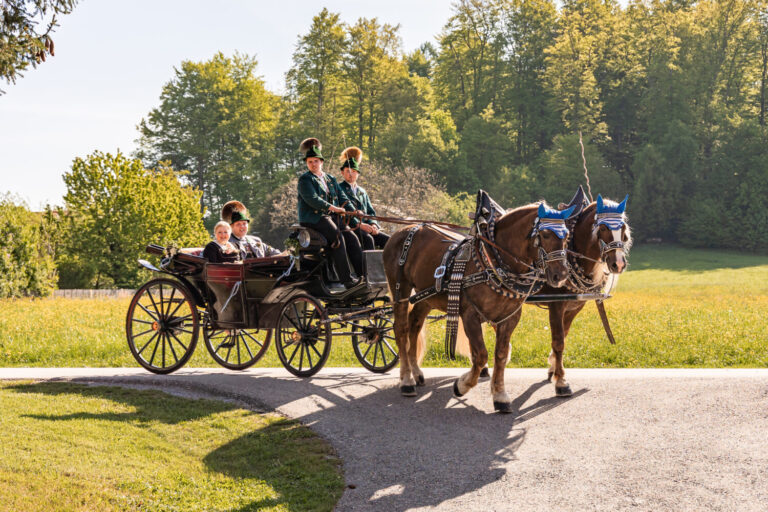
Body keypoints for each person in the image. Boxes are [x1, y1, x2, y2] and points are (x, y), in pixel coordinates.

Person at [296, 137, 363, 289]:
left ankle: (362, 277)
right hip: (313, 218)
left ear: (321, 162)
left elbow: (342, 197)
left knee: (352, 237)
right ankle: (346, 280)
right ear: (307, 163)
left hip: (329, 217)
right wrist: (334, 208)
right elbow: (313, 200)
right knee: (337, 237)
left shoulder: (330, 179)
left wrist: (354, 210)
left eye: (315, 161)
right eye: (310, 162)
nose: (313, 164)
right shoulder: (305, 180)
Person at [338, 146, 390, 251]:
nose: (351, 174)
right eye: (347, 171)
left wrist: (373, 224)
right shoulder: (339, 189)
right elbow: (346, 213)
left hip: (368, 227)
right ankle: (369, 268)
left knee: (389, 241)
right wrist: (361, 225)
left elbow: (370, 212)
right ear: (342, 173)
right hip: (351, 227)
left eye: (353, 171)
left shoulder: (362, 191)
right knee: (368, 239)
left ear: (358, 173)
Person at [221, 200, 285, 260]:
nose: (242, 227)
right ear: (230, 226)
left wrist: (288, 252)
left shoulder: (256, 240)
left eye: (244, 223)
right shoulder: (226, 243)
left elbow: (277, 254)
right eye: (238, 224)